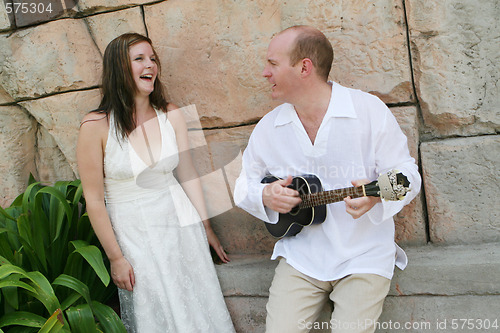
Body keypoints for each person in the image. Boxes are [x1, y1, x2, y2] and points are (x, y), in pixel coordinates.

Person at [234, 25, 421, 333]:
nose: (265, 73)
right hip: (302, 258)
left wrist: (376, 195)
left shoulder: (367, 110)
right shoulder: (269, 127)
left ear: (304, 67)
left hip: (364, 255)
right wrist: (265, 195)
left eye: (272, 63)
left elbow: (408, 176)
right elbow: (243, 186)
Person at [77, 33, 235, 333]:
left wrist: (207, 228)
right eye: (139, 59)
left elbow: (187, 174)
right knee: (155, 313)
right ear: (118, 68)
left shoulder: (171, 114)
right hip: (133, 233)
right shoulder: (95, 125)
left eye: (152, 59)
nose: (150, 65)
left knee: (199, 309)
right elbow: (95, 200)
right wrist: (116, 258)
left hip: (181, 228)